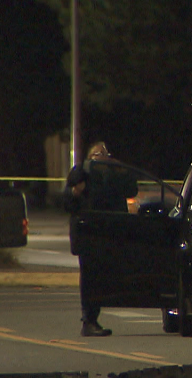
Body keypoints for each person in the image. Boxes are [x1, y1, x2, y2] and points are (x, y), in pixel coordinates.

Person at [63, 141, 122, 337]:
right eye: (96, 154)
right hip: (88, 236)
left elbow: (130, 189)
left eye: (104, 154)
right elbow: (67, 201)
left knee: (102, 278)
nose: (100, 157)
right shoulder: (81, 174)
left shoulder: (112, 176)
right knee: (90, 278)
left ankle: (93, 318)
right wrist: (75, 192)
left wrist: (117, 168)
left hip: (106, 236)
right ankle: (89, 320)